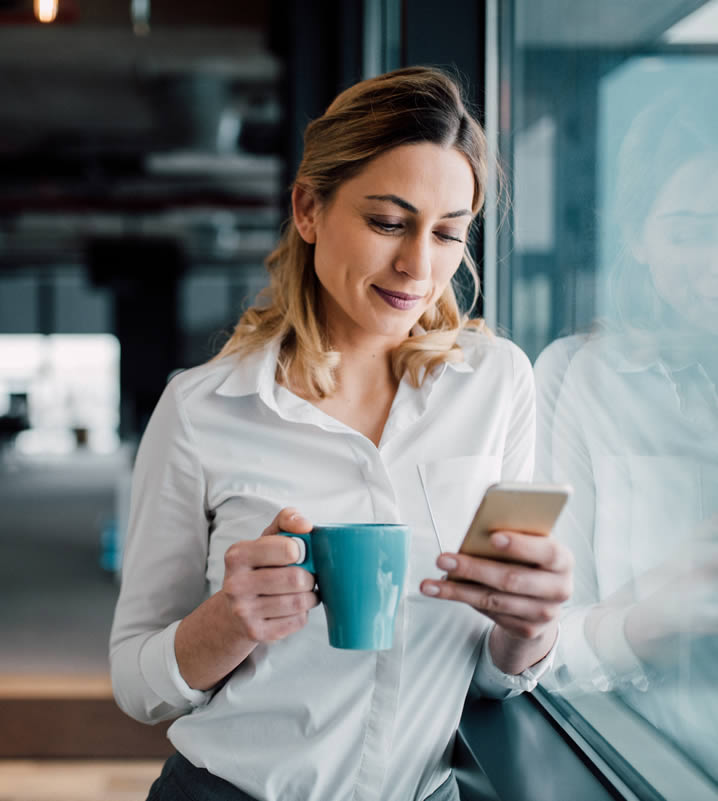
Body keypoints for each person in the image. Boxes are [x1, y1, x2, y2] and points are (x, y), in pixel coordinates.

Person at [110, 66, 573, 801]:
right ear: (308, 209)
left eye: (449, 233)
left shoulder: (497, 384)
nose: (419, 266)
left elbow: (490, 671)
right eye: (389, 222)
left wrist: (530, 626)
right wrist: (230, 622)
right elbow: (138, 683)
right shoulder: (202, 410)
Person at [535, 81, 718, 781]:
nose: (714, 261)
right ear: (638, 236)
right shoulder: (580, 377)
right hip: (640, 763)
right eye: (687, 230)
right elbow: (539, 645)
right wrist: (653, 618)